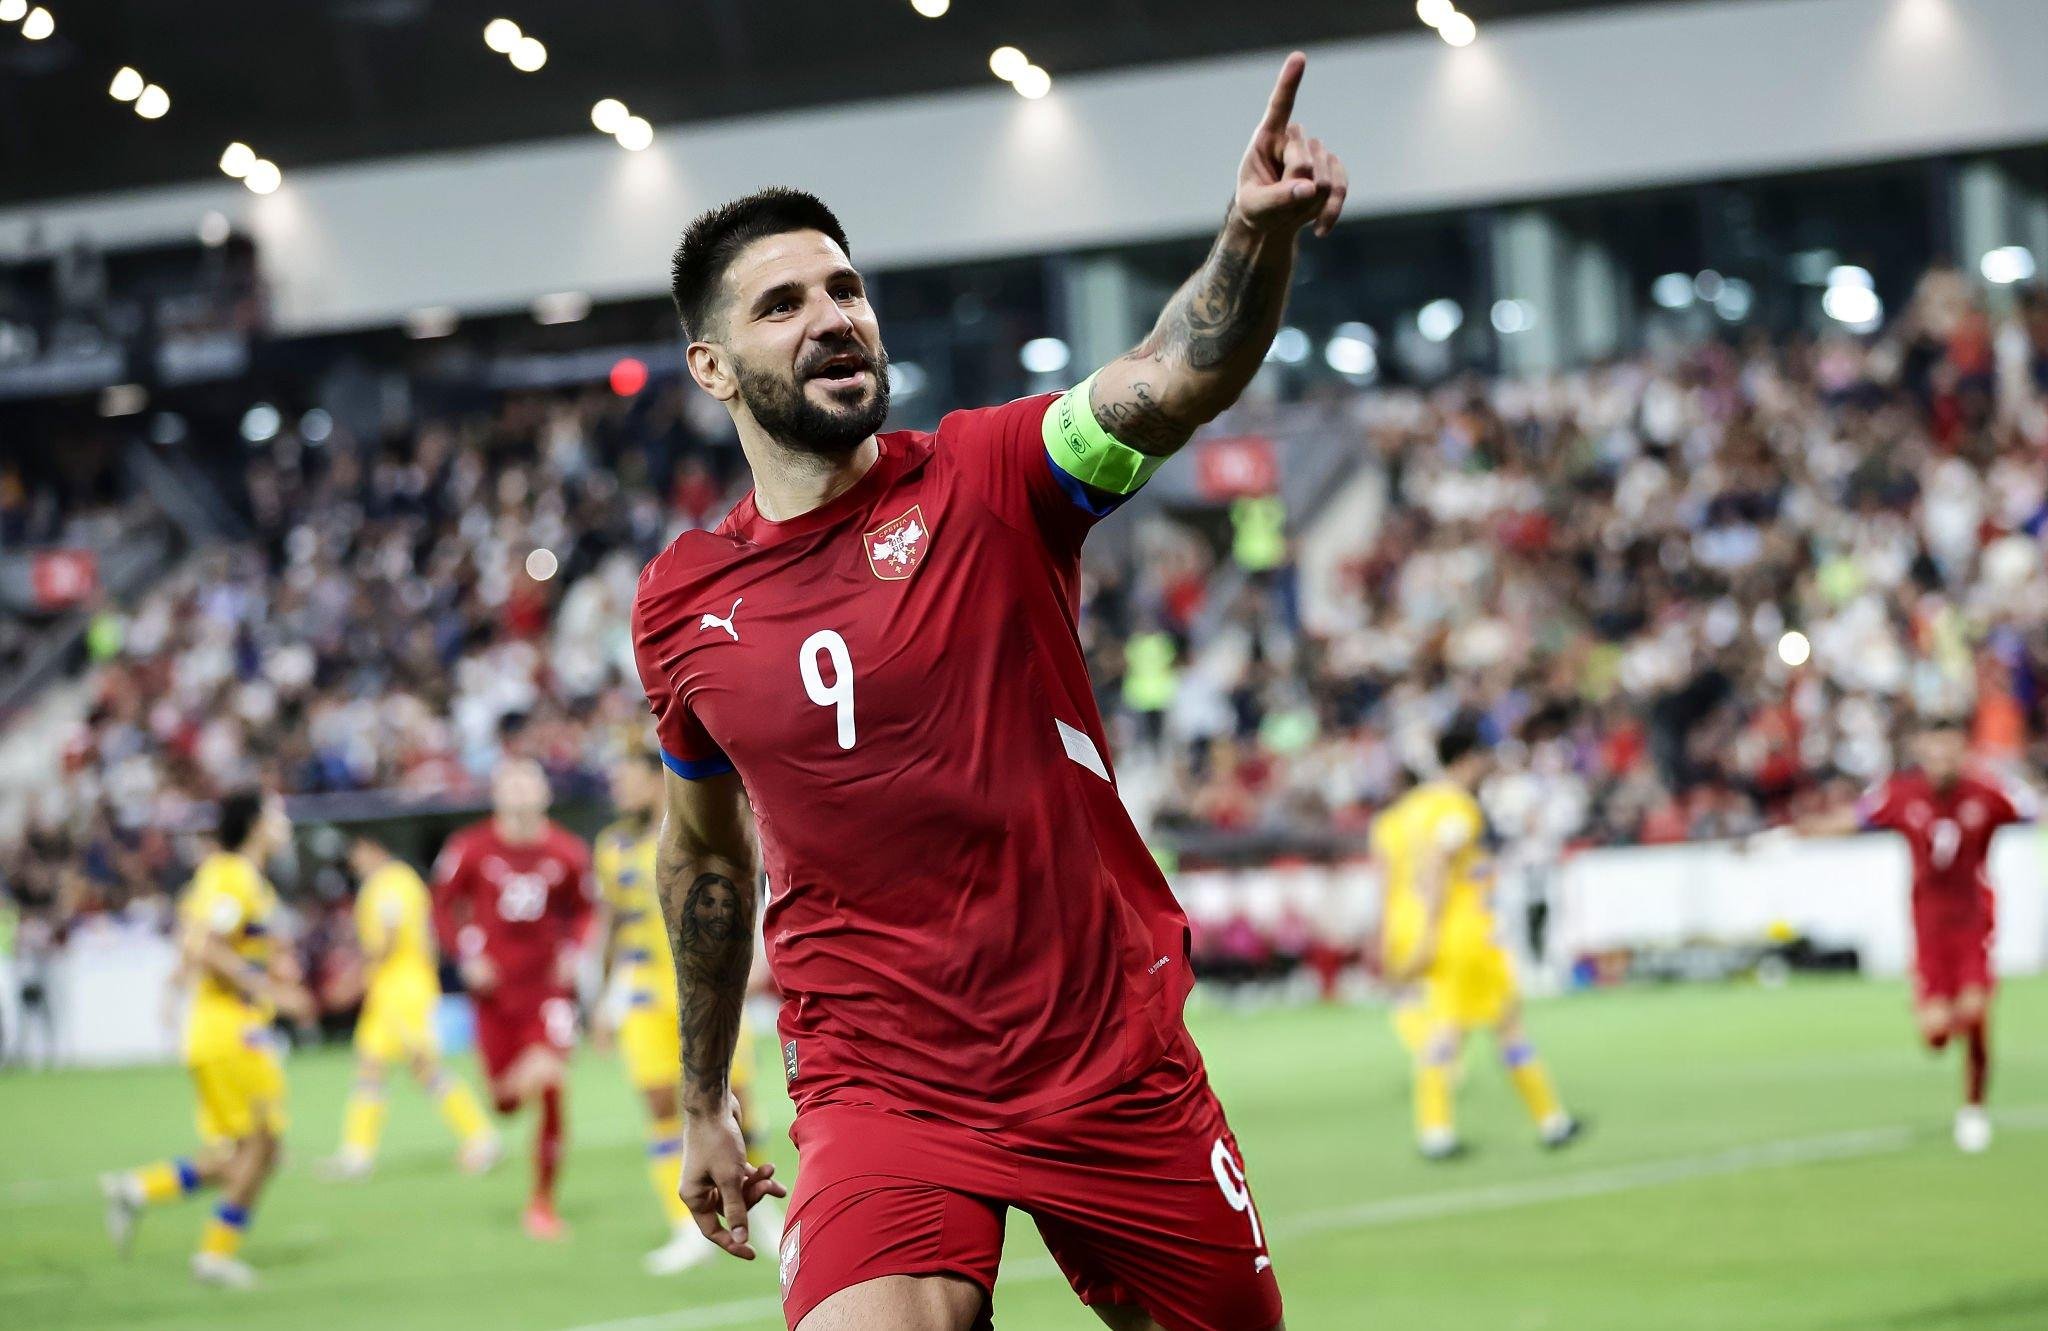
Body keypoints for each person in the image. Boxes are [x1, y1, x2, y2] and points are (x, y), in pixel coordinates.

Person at [631, 51, 1347, 1331]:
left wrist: (1251, 235)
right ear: (713, 367)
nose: (832, 317)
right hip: (879, 1087)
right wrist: (703, 1099)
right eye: (782, 305)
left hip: (1103, 1058)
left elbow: (1173, 373)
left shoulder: (993, 473)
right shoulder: (682, 602)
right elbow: (703, 855)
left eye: (845, 288)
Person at [1791, 716, 2037, 1152]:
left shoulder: (1987, 793)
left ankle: (1974, 1108)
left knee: (1975, 1012)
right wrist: (1800, 831)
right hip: (1929, 928)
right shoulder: (1902, 795)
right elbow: (1855, 819)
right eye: (1934, 750)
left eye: (1950, 750)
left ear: (1963, 751)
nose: (1942, 759)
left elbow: (2033, 810)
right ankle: (1939, 1009)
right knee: (1937, 1036)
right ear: (1922, 751)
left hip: (1974, 922)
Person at [101, 788, 314, 1289]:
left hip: (225, 1028)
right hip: (231, 1031)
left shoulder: (235, 877)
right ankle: (214, 1256)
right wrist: (268, 988)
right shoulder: (234, 875)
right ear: (255, 824)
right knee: (262, 1147)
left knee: (252, 1153)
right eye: (276, 815)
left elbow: (196, 937)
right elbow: (208, 946)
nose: (284, 824)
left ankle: (139, 1189)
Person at [595, 746, 783, 1274]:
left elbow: (752, 889)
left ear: (655, 778)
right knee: (661, 1105)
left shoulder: (711, 825)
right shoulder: (613, 848)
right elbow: (611, 925)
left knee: (736, 1099)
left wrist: (757, 959)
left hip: (711, 992)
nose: (618, 789)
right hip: (646, 997)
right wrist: (603, 998)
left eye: (626, 778)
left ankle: (760, 1213)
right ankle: (685, 1227)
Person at [1374, 719, 1581, 1160]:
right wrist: (1432, 929)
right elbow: (1438, 861)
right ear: (1468, 758)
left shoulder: (1409, 809)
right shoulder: (1456, 807)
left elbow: (1391, 870)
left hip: (1427, 928)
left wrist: (1400, 932)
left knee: (1460, 1024)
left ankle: (1447, 1128)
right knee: (1488, 1025)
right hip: (1464, 932)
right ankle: (1545, 1121)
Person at [432, 758, 594, 1238]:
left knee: (551, 1084)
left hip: (548, 990)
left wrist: (574, 951)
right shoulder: (470, 847)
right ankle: (507, 1100)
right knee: (504, 1102)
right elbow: (442, 905)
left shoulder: (567, 851)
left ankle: (542, 1203)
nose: (521, 793)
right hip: (495, 992)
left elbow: (585, 910)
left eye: (529, 784)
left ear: (545, 793)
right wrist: (466, 956)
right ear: (497, 794)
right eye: (512, 785)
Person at [320, 832, 499, 1180]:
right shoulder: (390, 882)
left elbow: (388, 937)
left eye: (357, 853)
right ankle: (357, 1154)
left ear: (373, 848)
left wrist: (352, 980)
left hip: (402, 989)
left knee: (424, 1067)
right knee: (370, 1066)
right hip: (387, 989)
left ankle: (481, 1138)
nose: (354, 862)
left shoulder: (393, 882)